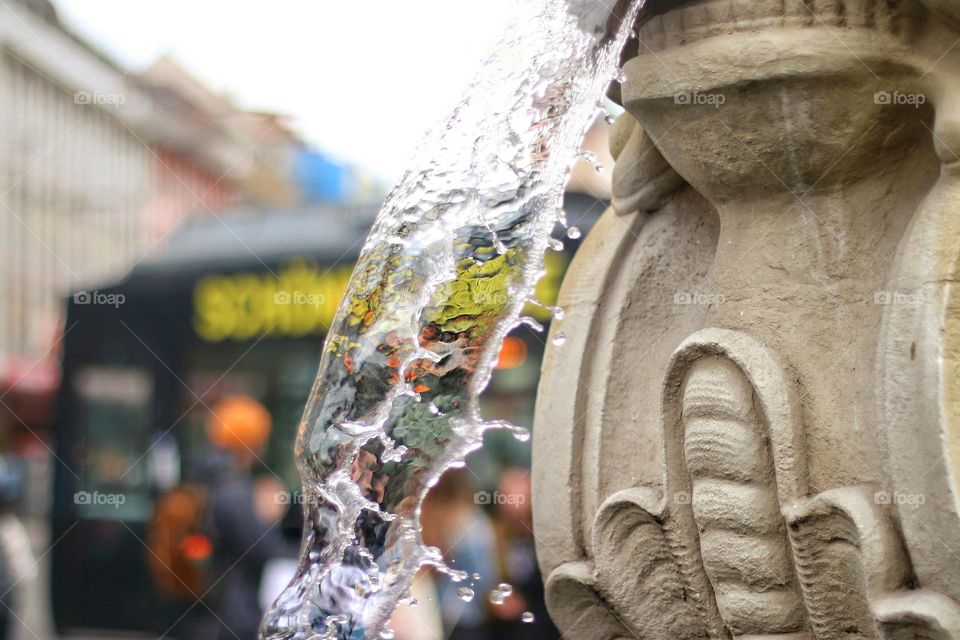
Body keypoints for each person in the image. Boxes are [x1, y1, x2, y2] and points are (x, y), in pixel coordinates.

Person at [200, 395, 293, 640]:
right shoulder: (233, 488)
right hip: (233, 615)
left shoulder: (208, 478)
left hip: (210, 607)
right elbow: (265, 551)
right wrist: (272, 517)